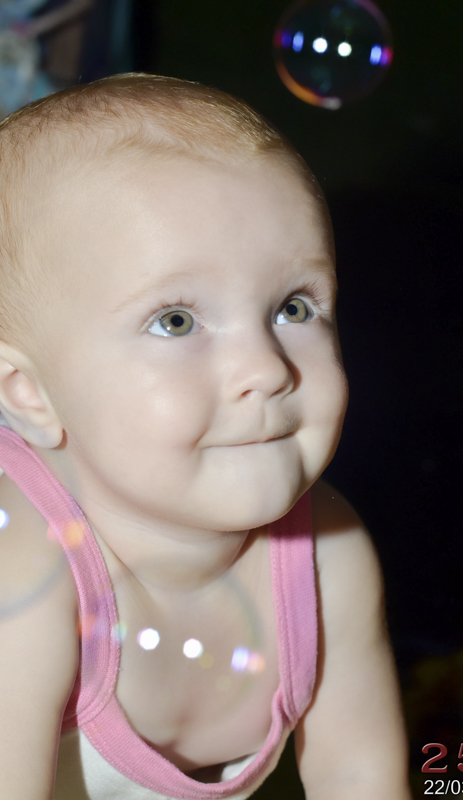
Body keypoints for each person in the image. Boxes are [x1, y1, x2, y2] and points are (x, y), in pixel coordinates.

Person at [0, 74, 411, 800]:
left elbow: (360, 775)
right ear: (29, 396)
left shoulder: (330, 553)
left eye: (293, 307)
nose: (267, 369)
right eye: (176, 321)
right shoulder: (23, 575)